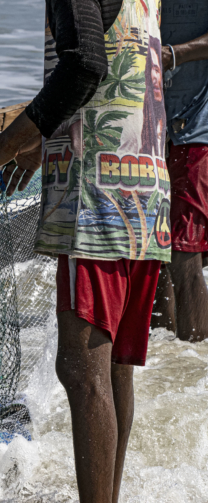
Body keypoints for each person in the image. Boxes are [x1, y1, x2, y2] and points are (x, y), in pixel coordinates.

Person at [0, 0, 168, 503]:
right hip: (146, 193)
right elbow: (125, 64)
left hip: (97, 195)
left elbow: (84, 65)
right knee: (113, 369)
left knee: (82, 371)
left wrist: (8, 141)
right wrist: (45, 137)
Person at [151, 3, 208, 341]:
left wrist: (173, 55)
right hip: (151, 125)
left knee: (183, 250)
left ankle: (195, 356)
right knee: (154, 248)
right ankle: (163, 355)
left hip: (196, 128)